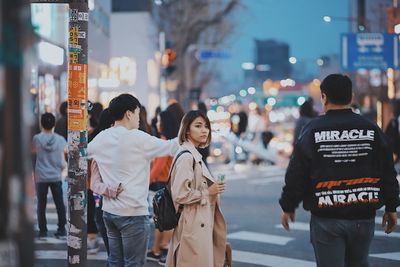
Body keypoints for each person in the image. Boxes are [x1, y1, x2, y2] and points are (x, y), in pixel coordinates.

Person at [279, 74, 400, 267]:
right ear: (351, 97)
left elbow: (297, 173)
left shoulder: (312, 130)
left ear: (324, 97)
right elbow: (387, 171)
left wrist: (288, 205)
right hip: (363, 215)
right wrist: (392, 206)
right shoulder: (371, 129)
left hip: (327, 218)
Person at [87, 94, 179, 267]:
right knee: (133, 264)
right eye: (137, 113)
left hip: (109, 212)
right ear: (129, 114)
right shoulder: (138, 137)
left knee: (115, 262)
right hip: (133, 212)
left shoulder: (101, 138)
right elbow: (171, 146)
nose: (138, 118)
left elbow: (79, 152)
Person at [166, 110, 227, 267]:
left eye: (206, 126)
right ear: (187, 129)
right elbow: (180, 194)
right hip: (192, 225)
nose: (204, 130)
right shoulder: (187, 157)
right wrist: (208, 192)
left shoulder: (192, 155)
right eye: (198, 126)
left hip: (197, 222)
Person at [147, 110, 180, 265]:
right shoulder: (176, 141)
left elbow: (158, 167)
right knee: (164, 218)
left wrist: (146, 181)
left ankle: (163, 250)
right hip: (171, 183)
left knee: (163, 219)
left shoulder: (164, 141)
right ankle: (157, 250)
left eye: (160, 121)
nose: (157, 124)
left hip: (162, 183)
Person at [32, 112, 67, 238]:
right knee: (59, 204)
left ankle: (43, 231)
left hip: (41, 176)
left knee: (41, 205)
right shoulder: (60, 139)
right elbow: (64, 155)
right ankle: (62, 229)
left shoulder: (36, 139)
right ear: (54, 124)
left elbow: (33, 153)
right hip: (56, 175)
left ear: (42, 124)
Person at [88, 108, 115, 255]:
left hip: (98, 192)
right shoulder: (106, 140)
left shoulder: (95, 137)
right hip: (109, 193)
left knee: (100, 221)